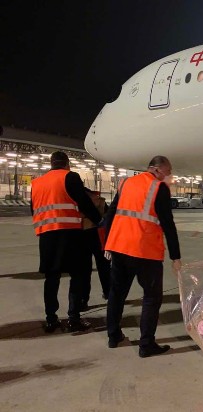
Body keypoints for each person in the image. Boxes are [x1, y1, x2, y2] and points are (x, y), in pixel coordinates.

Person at [103, 155, 182, 358]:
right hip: (145, 251)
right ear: (156, 169)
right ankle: (146, 344)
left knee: (117, 293)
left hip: (119, 246)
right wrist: (176, 256)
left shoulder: (126, 183)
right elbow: (168, 224)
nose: (169, 175)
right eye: (168, 171)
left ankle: (113, 336)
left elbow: (111, 213)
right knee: (152, 298)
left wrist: (107, 244)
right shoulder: (158, 188)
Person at [31, 151, 102, 333]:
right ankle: (73, 319)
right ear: (67, 163)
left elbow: (34, 209)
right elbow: (84, 202)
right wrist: (99, 219)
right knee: (77, 275)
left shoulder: (37, 183)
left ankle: (51, 319)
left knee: (51, 278)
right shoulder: (70, 177)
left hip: (46, 236)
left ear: (51, 164)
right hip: (70, 235)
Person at [81, 187, 111, 310]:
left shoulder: (76, 197)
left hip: (82, 234)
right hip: (99, 234)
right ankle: (109, 293)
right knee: (104, 265)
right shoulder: (99, 200)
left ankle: (83, 300)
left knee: (84, 269)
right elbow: (108, 218)